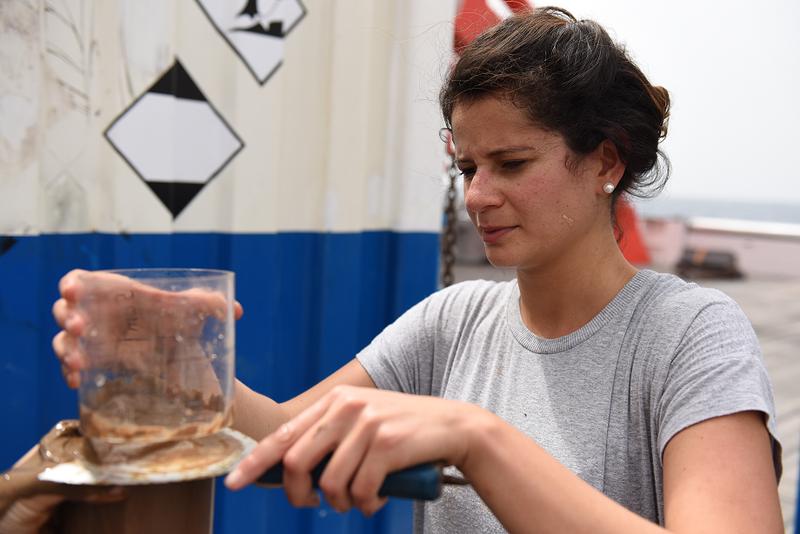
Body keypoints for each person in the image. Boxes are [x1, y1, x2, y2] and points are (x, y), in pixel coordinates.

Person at [52, 7, 782, 533]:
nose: (477, 195)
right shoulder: (454, 320)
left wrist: (478, 438)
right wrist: (164, 346)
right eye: (466, 166)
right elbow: (276, 433)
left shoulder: (691, 336)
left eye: (512, 163)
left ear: (606, 160)